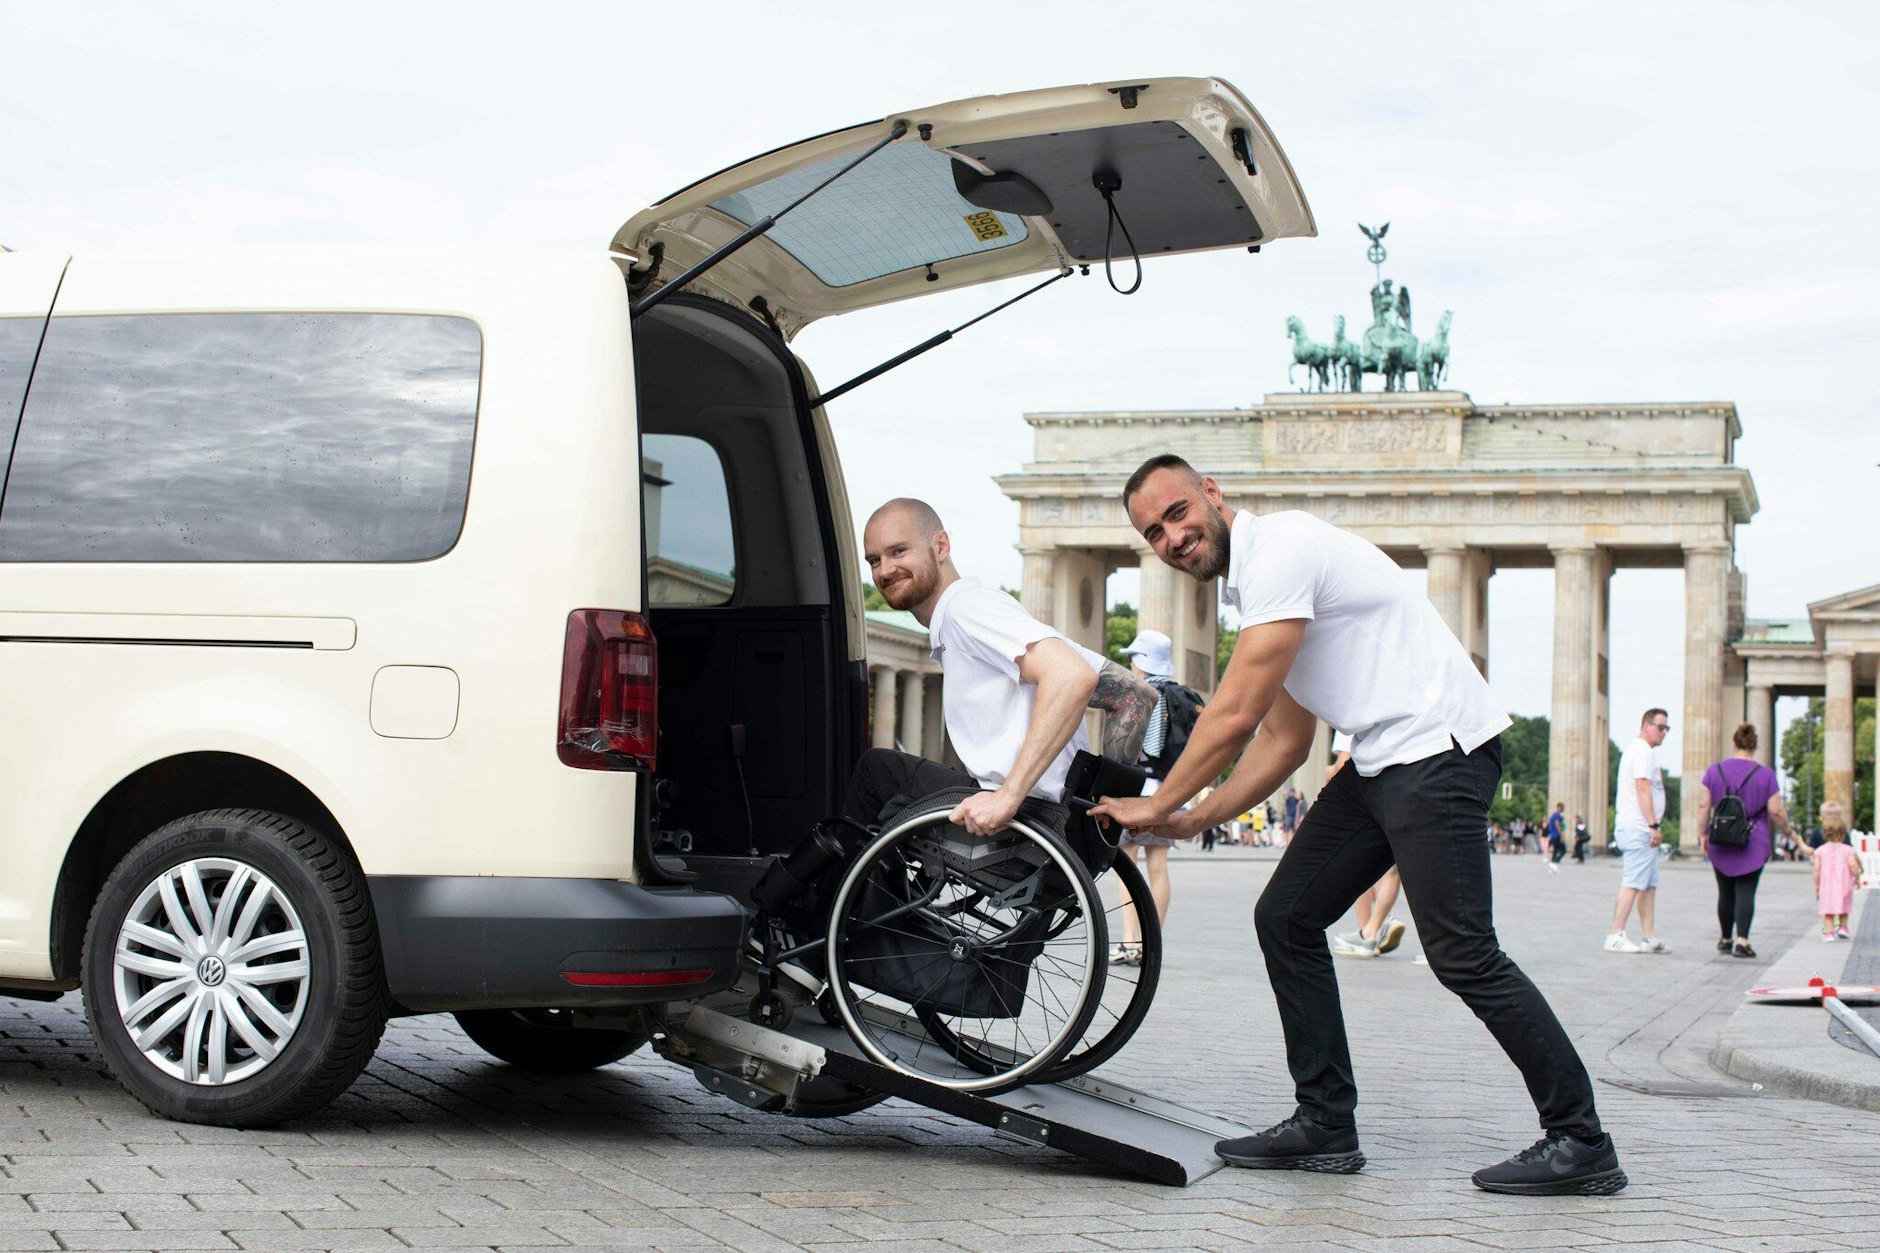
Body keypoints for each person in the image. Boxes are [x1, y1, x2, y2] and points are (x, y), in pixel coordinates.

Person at [1091, 456, 1623, 1196]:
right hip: (1382, 759)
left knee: (1464, 953)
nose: (1172, 537)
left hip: (1436, 749)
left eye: (1178, 512)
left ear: (1213, 493)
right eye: (1154, 531)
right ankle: (1325, 1123)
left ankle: (1580, 1137)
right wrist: (1194, 817)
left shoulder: (1281, 550)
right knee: (1286, 915)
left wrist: (1153, 804)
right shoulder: (1258, 589)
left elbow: (1235, 714)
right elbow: (1285, 738)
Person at [845, 498, 1156, 842]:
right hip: (1054, 824)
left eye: (898, 551)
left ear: (941, 546)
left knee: (876, 772)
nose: (884, 570)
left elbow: (1072, 677)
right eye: (874, 560)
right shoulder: (977, 614)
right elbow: (1135, 694)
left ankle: (833, 893)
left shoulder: (968, 609)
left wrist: (1010, 795)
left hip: (1024, 820)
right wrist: (1100, 818)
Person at [1111, 629, 1204, 963]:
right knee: (1159, 869)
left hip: (1142, 792)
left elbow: (1138, 748)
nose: (1131, 664)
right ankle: (1152, 945)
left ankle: (1130, 940)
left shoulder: (1145, 694)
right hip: (1171, 790)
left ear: (1143, 661)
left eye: (1134, 657)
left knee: (1127, 866)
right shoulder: (1183, 695)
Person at [1695, 722, 1793, 959]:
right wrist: (1789, 832)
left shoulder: (1714, 770)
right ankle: (1742, 941)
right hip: (1752, 841)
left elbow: (1703, 805)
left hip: (1721, 839)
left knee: (1725, 891)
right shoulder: (1765, 775)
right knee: (1746, 891)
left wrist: (1703, 834)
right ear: (1755, 745)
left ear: (1734, 742)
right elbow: (1776, 811)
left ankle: (1725, 938)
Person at [1324, 732, 1406, 958]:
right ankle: (1379, 923)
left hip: (1365, 798)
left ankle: (1367, 932)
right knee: (1391, 870)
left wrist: (1330, 772)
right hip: (1403, 788)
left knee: (1358, 867)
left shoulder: (1352, 713)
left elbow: (1343, 764)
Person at [1606, 709, 1671, 955]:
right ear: (1646, 725)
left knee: (1648, 883)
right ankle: (1615, 933)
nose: (1664, 733)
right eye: (1660, 727)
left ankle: (1649, 935)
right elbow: (1643, 788)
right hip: (1639, 826)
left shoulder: (1636, 749)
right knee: (1633, 881)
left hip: (1635, 825)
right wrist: (1653, 825)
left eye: (1667, 728)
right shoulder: (1643, 751)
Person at [1814, 802, 1859, 942]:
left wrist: (1817, 884)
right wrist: (1857, 876)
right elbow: (1853, 864)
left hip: (1827, 885)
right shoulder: (1848, 849)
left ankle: (1828, 933)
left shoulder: (1820, 850)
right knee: (1844, 906)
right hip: (1844, 883)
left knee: (1827, 909)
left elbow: (1816, 869)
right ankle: (1843, 928)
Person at [1545, 803, 1567, 874]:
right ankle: (1553, 864)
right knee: (1559, 849)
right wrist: (1562, 835)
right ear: (1560, 807)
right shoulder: (1557, 815)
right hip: (1556, 835)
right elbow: (1557, 825)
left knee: (1556, 850)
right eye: (1563, 808)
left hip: (1554, 835)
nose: (1564, 809)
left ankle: (1553, 864)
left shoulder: (1555, 815)